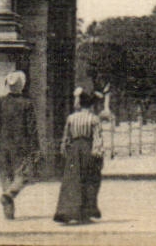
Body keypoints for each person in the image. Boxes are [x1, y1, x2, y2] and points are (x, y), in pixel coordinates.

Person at [0, 70, 39, 221]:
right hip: (21, 146)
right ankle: (10, 194)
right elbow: (32, 128)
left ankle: (8, 212)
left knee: (5, 177)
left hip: (3, 145)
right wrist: (35, 148)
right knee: (23, 175)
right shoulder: (27, 104)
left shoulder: (0, 102)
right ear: (22, 86)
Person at [54, 90, 102, 225]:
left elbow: (66, 136)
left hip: (74, 150)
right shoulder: (94, 119)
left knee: (72, 180)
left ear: (79, 103)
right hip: (87, 149)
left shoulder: (71, 118)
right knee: (89, 179)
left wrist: (64, 149)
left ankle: (67, 212)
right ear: (91, 105)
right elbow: (97, 138)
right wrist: (98, 153)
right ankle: (85, 212)